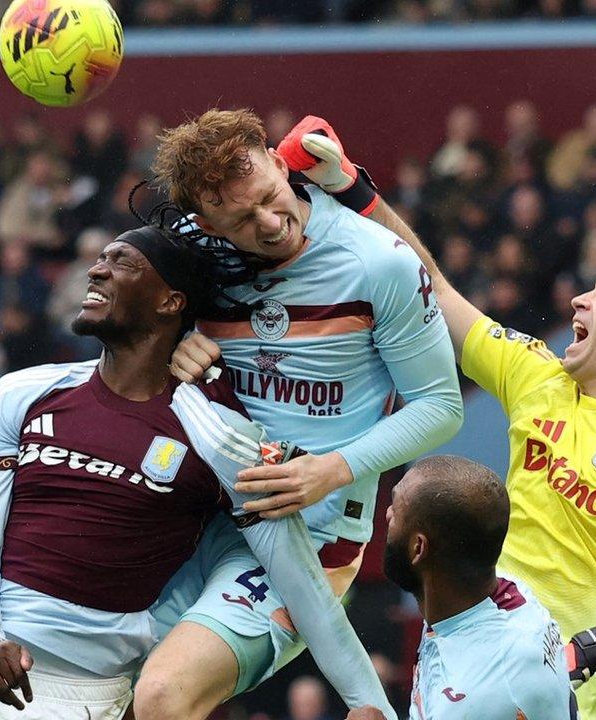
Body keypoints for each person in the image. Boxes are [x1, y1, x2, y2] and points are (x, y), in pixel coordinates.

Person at [185, 116, 596, 720]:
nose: (580, 298)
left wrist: (591, 650)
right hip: (481, 670)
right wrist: (354, 191)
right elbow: (435, 291)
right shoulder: (538, 375)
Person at [0, 225, 391, 720]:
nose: (95, 270)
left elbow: (302, 584)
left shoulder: (217, 435)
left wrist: (368, 701)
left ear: (170, 301)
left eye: (121, 261)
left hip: (71, 695)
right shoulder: (23, 392)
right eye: (99, 259)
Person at [146, 108, 464, 720]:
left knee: (164, 695)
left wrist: (330, 470)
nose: (271, 224)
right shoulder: (191, 261)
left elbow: (441, 408)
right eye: (242, 218)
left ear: (276, 160)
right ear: (204, 220)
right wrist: (168, 350)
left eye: (271, 197)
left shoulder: (378, 262)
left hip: (310, 536)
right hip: (191, 518)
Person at [350, 455, 573, 719]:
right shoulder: (476, 592)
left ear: (418, 548)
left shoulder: (472, 696)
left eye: (396, 509)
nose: (387, 514)